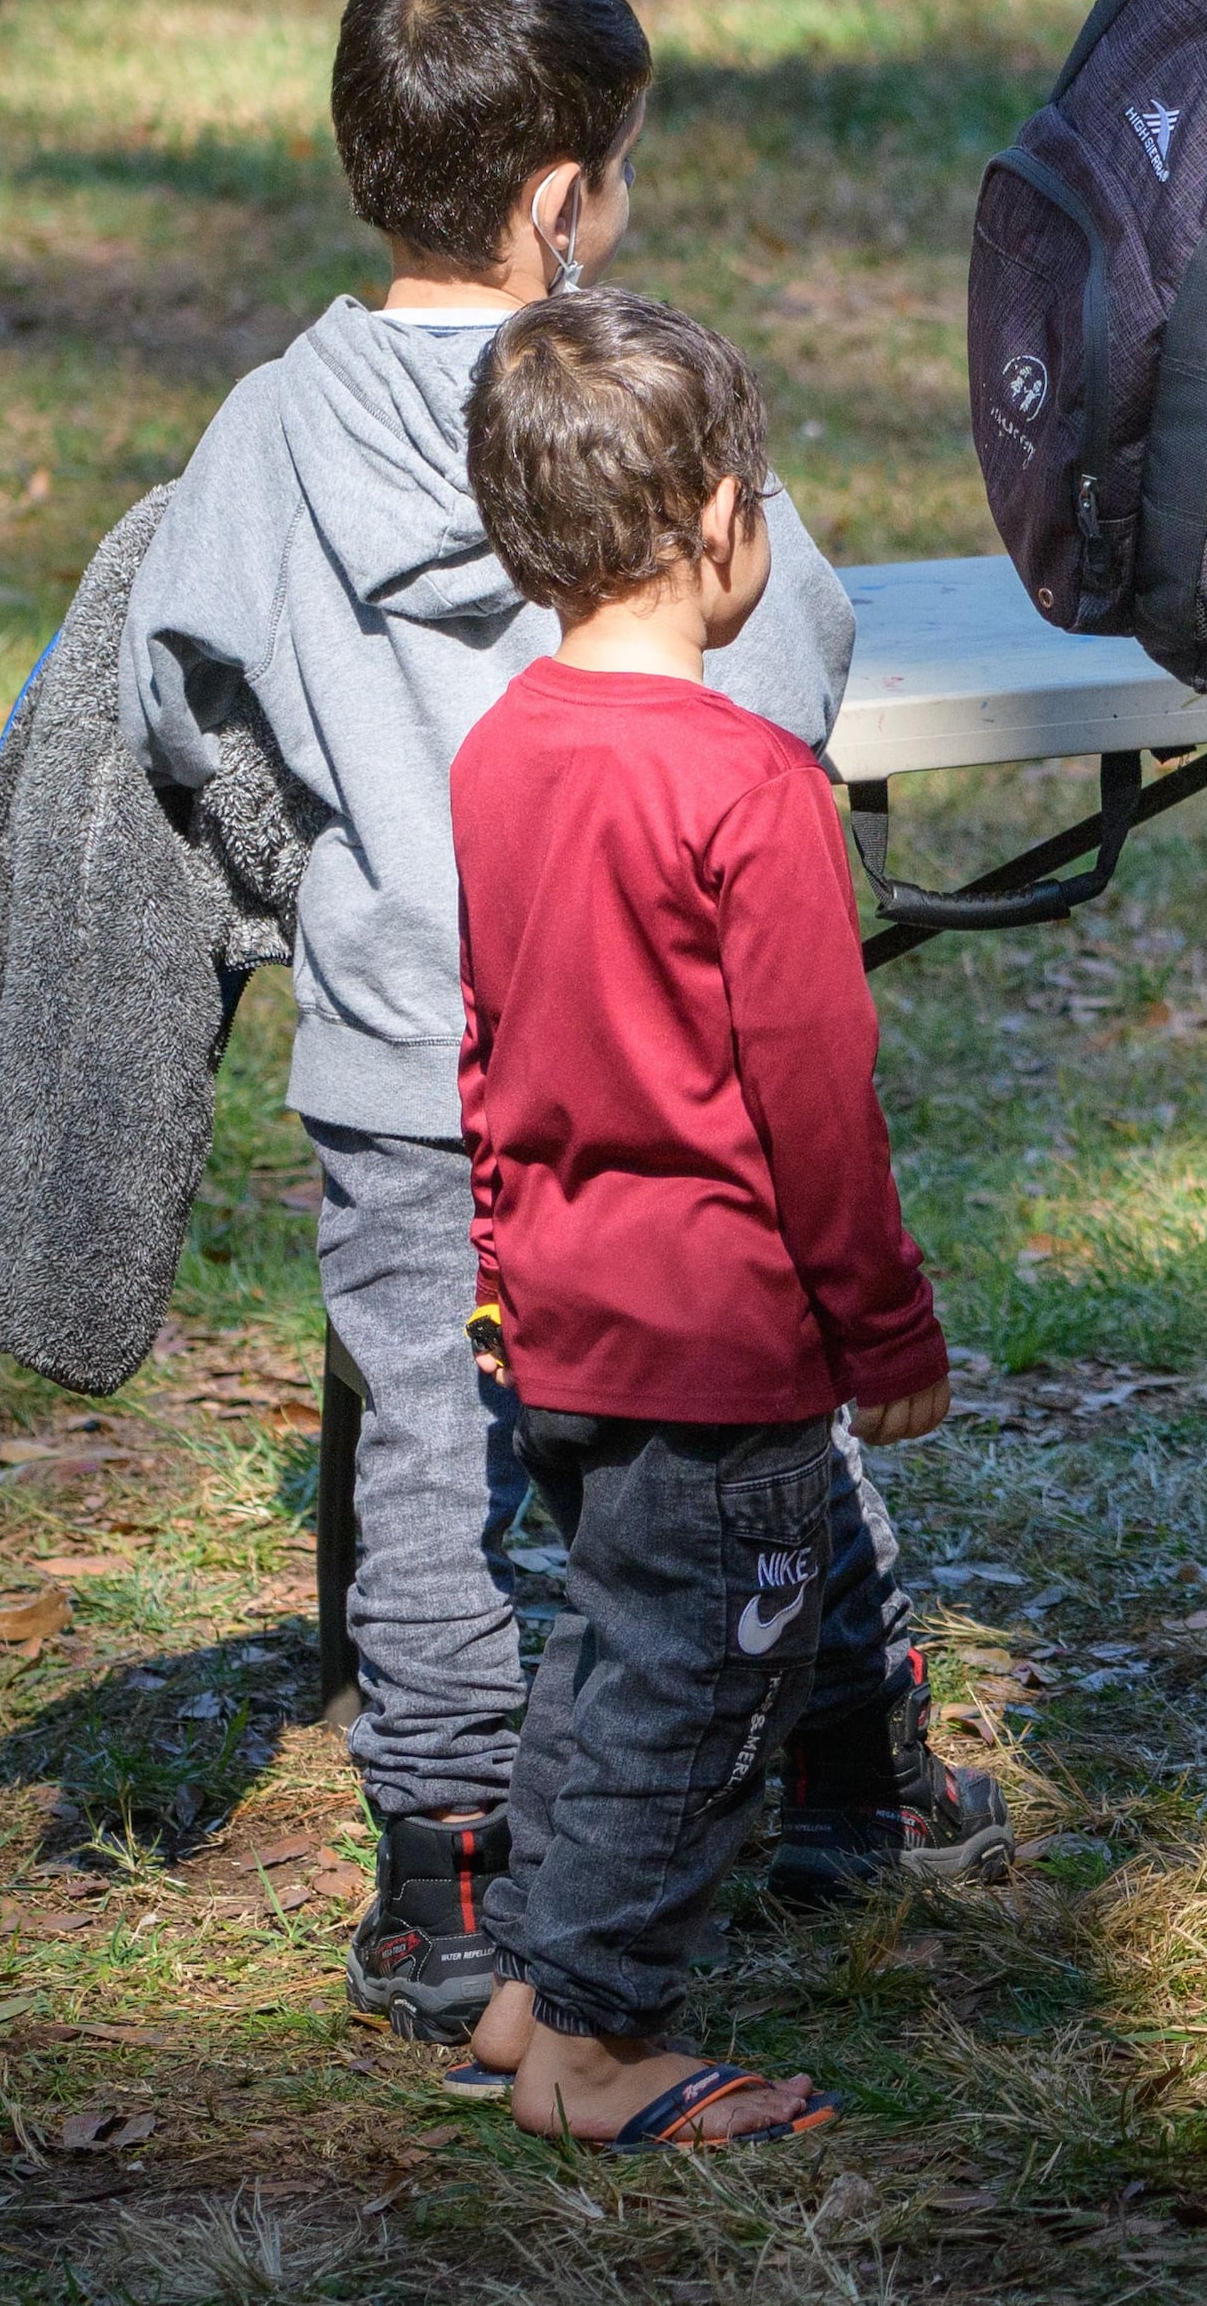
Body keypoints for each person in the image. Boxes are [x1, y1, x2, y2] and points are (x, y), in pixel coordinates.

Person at [124, 0, 998, 2050]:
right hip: (670, 1060)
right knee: (753, 1403)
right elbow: (782, 681)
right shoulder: (659, 428)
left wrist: (324, 884)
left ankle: (449, 1875)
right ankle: (838, 1767)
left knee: (434, 1454)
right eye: (620, 170)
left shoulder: (266, 431)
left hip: (399, 1042)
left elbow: (182, 710)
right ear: (558, 205)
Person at [443, 291, 950, 2147]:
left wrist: (503, 1274)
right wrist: (885, 1333)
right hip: (725, 1344)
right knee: (694, 1694)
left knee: (602, 1645)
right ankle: (597, 2043)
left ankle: (529, 1983)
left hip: (563, 1317)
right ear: (726, 521)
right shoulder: (749, 782)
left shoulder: (503, 746)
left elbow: (487, 1037)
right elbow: (816, 1103)